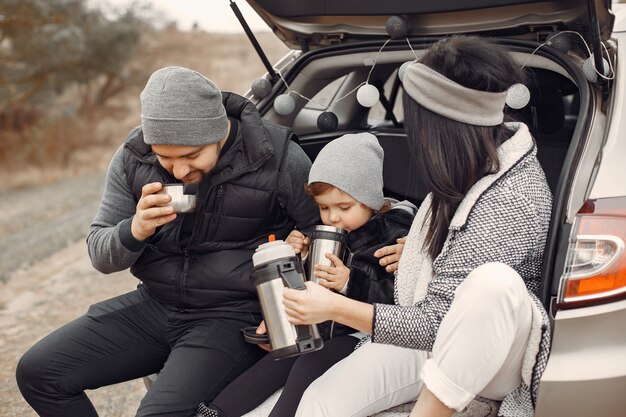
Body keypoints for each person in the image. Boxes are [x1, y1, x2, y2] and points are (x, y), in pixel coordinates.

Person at [15, 66, 322, 417]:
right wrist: (136, 228)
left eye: (191, 156)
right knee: (38, 373)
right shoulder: (132, 156)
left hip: (233, 315)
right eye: (165, 158)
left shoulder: (277, 157)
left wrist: (285, 305)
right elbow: (100, 253)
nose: (178, 171)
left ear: (219, 130)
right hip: (155, 304)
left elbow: (325, 232)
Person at [281, 36, 553, 417]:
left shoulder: (511, 198)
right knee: (319, 402)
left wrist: (338, 307)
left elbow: (439, 323)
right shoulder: (470, 164)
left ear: (443, 127)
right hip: (430, 335)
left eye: (418, 122)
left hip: (492, 349)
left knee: (494, 283)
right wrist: (424, 252)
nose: (414, 135)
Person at [195, 133, 416, 417]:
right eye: (324, 208)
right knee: (276, 362)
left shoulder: (394, 236)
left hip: (358, 333)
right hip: (319, 327)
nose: (332, 217)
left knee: (307, 365)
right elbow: (303, 286)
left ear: (370, 198)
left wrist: (351, 281)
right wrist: (294, 257)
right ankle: (215, 411)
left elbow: (398, 296)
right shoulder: (323, 234)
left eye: (344, 207)